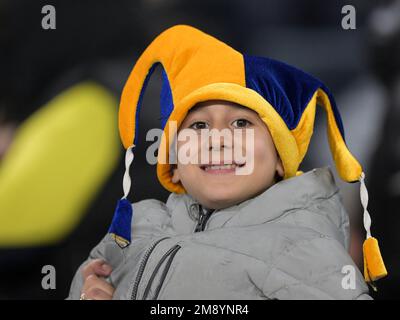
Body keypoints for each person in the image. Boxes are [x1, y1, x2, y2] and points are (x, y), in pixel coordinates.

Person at [67, 25, 387, 300]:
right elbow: (89, 280)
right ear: (174, 163)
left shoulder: (306, 248)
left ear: (280, 159)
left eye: (241, 124)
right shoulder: (132, 227)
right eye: (199, 125)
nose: (218, 138)